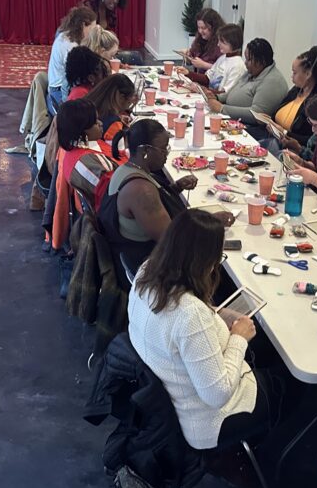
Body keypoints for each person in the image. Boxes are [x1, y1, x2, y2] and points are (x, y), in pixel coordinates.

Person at [129, 209, 283, 450]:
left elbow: (179, 319)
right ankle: (275, 456)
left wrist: (215, 312)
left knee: (264, 351)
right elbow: (217, 395)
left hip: (172, 396)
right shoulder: (190, 315)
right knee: (288, 380)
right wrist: (238, 338)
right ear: (204, 261)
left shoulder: (147, 272)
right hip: (208, 422)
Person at [101, 120, 217, 272]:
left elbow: (153, 205)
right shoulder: (141, 191)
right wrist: (212, 224)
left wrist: (176, 188)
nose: (166, 154)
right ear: (145, 151)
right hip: (150, 266)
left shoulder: (126, 170)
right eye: (163, 149)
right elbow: (172, 241)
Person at [52, 99, 116, 249]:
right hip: (109, 222)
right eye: (94, 122)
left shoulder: (71, 153)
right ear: (82, 130)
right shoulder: (88, 164)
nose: (100, 123)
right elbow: (114, 196)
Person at [206, 38, 288, 128]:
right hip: (233, 119)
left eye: (248, 60)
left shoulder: (273, 81)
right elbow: (233, 92)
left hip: (251, 128)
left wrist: (222, 109)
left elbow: (257, 115)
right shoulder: (253, 71)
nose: (245, 63)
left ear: (261, 62)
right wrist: (217, 97)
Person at [262, 45, 317, 146]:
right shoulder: (296, 91)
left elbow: (311, 141)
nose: (292, 76)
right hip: (272, 139)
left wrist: (285, 132)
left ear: (308, 74)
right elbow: (277, 113)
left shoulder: (316, 103)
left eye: (294, 73)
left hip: (292, 150)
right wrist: (269, 120)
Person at [47, 6, 97, 113]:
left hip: (55, 88)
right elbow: (72, 78)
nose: (91, 33)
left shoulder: (63, 35)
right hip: (59, 93)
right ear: (84, 25)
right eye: (92, 29)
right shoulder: (70, 46)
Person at [83, 74, 135, 157]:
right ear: (121, 98)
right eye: (129, 102)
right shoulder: (113, 124)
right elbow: (120, 156)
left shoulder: (89, 105)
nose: (128, 106)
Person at [177, 8, 226, 84]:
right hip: (198, 80)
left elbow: (224, 70)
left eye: (204, 28)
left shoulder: (221, 44)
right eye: (199, 27)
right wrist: (187, 55)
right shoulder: (200, 39)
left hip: (211, 84)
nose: (200, 31)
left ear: (213, 27)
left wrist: (204, 65)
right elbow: (192, 60)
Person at [204, 24, 247, 93]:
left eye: (222, 42)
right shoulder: (223, 58)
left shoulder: (238, 66)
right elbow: (208, 78)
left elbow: (225, 93)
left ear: (232, 42)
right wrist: (187, 73)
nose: (218, 44)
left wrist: (202, 91)